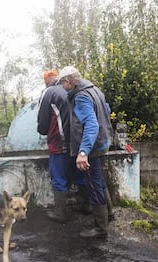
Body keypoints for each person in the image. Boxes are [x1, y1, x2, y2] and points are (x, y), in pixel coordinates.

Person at [58, 65, 113, 238]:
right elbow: (107, 110)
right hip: (103, 143)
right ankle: (109, 214)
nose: (62, 87)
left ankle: (100, 228)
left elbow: (91, 123)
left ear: (68, 81)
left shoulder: (81, 97)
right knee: (99, 181)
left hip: (93, 148)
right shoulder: (95, 90)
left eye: (62, 83)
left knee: (93, 185)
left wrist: (83, 152)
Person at [37, 69, 74, 223]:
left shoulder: (49, 92)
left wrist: (43, 131)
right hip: (76, 142)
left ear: (47, 82)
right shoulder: (71, 89)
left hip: (59, 142)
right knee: (79, 173)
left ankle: (61, 213)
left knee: (58, 176)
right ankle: (86, 206)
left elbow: (42, 119)